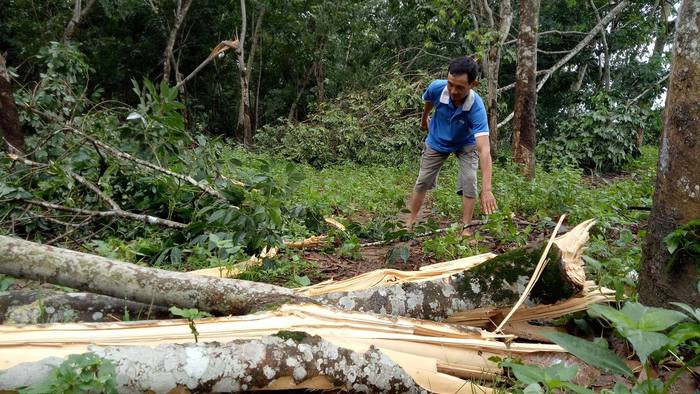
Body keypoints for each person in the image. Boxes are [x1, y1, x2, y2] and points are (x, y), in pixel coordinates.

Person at [405, 56, 497, 236]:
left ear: (473, 85)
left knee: (470, 179)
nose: (453, 90)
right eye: (450, 84)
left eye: (460, 87)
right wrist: (424, 120)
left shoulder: (476, 108)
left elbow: (484, 149)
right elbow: (429, 101)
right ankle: (409, 221)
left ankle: (466, 227)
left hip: (466, 142)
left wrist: (487, 190)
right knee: (422, 180)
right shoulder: (437, 87)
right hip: (438, 138)